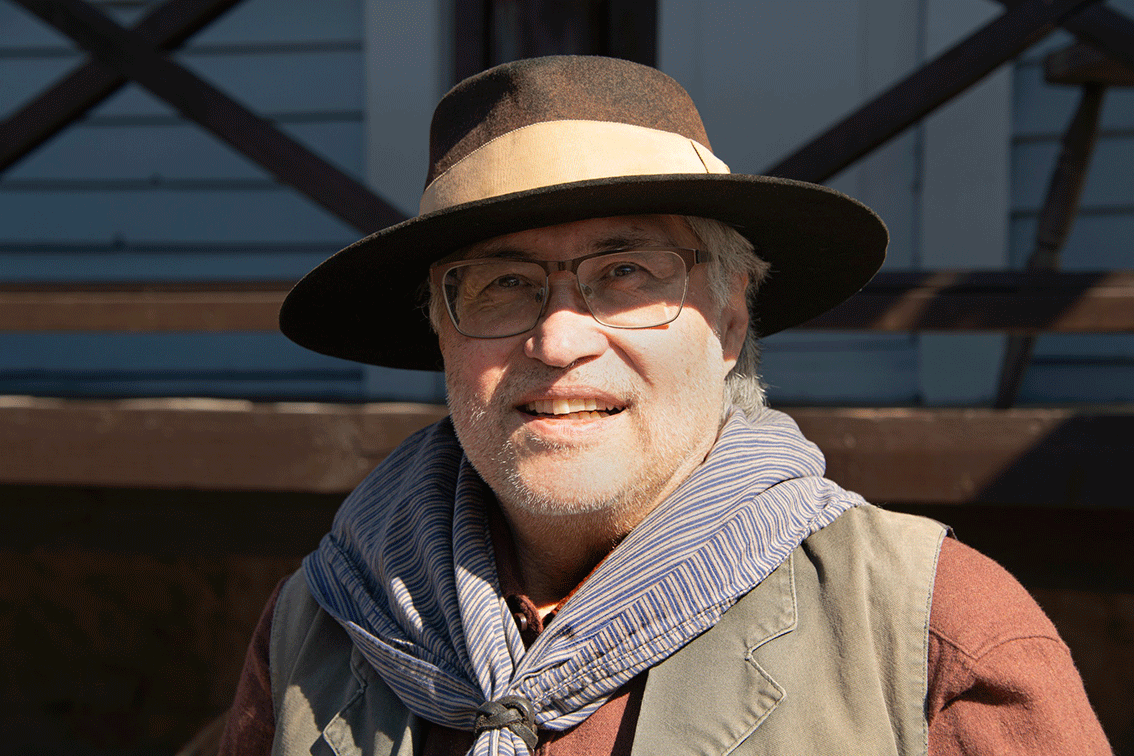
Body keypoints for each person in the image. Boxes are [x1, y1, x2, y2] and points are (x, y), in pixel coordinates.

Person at [219, 56, 1111, 756]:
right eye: (501, 284)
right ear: (442, 335)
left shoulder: (933, 630)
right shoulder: (320, 625)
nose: (558, 341)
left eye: (626, 273)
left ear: (730, 320)